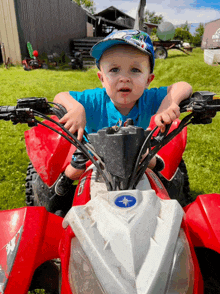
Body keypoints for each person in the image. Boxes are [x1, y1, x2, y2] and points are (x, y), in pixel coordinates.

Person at [53, 29, 192, 196]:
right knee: (75, 171)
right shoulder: (94, 99)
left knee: (151, 162)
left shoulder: (149, 98)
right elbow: (61, 96)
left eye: (135, 70)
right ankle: (66, 180)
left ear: (148, 80)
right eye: (114, 70)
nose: (124, 78)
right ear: (102, 79)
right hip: (93, 151)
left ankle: (163, 177)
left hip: (136, 152)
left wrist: (168, 103)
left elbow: (184, 86)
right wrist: (76, 108)